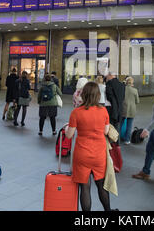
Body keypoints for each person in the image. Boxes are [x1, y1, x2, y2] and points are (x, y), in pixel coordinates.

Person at [64, 82, 116, 211]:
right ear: (98, 95)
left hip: (82, 154)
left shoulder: (76, 112)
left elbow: (69, 135)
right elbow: (105, 131)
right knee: (101, 186)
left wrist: (66, 128)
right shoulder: (103, 111)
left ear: (84, 94)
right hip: (99, 154)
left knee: (85, 188)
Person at [120, 77, 140, 145]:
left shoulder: (122, 89)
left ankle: (116, 139)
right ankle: (127, 140)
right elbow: (137, 101)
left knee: (120, 124)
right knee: (129, 125)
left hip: (123, 109)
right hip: (131, 110)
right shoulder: (135, 90)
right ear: (132, 83)